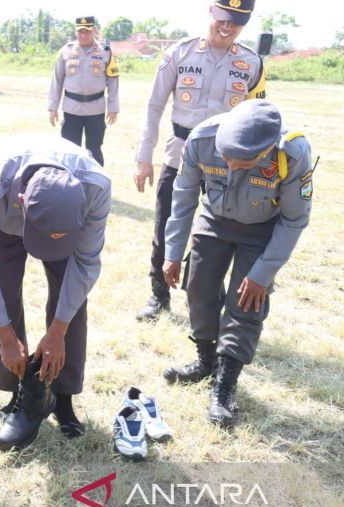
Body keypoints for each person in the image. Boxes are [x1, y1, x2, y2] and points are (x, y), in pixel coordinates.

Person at [161, 100, 313, 427]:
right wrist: (173, 251)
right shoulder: (202, 139)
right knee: (198, 288)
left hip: (262, 230)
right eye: (226, 156)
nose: (230, 165)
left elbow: (294, 220)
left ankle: (225, 385)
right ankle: (206, 361)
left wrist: (263, 274)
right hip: (214, 219)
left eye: (242, 161)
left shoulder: (293, 153)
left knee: (246, 302)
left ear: (267, 150)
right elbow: (184, 192)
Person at [0, 135, 111, 450]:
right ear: (21, 199)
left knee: (70, 302)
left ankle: (61, 396)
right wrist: (5, 335)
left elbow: (85, 265)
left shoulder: (95, 188)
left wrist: (57, 331)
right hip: (6, 223)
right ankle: (17, 390)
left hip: (60, 221)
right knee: (2, 291)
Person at [133, 0, 266, 321]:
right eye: (222, 18)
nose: (227, 27)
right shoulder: (179, 53)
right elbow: (154, 107)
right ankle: (158, 295)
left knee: (219, 230)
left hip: (226, 162)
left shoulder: (251, 63)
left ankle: (201, 291)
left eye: (236, 22)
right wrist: (143, 157)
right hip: (179, 154)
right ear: (210, 11)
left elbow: (257, 118)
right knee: (166, 224)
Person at [48, 16, 119, 167]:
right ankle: (68, 185)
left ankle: (96, 185)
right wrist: (52, 108)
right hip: (71, 109)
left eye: (86, 31)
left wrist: (113, 108)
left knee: (94, 150)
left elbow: (113, 82)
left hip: (96, 110)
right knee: (69, 151)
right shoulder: (65, 51)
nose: (83, 35)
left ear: (93, 31)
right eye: (79, 32)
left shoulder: (105, 52)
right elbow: (57, 81)